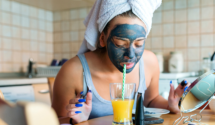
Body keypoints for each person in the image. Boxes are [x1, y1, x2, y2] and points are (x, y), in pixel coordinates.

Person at [52, 0, 190, 124]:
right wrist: (74, 120)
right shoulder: (73, 71)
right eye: (120, 43)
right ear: (102, 39)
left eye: (139, 44)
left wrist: (170, 105)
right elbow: (54, 120)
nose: (130, 55)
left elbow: (151, 100)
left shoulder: (149, 62)